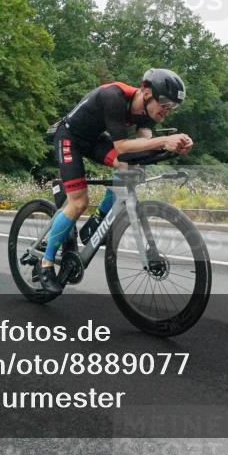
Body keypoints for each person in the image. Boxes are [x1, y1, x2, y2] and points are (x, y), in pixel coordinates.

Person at [39, 69, 193, 294]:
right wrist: (165, 140)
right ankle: (47, 263)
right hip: (70, 137)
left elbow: (142, 148)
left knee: (126, 166)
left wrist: (174, 146)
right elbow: (121, 147)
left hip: (93, 140)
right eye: (166, 104)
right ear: (148, 93)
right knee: (78, 203)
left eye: (173, 107)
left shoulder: (146, 113)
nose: (167, 111)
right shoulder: (114, 96)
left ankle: (99, 218)